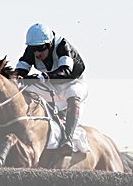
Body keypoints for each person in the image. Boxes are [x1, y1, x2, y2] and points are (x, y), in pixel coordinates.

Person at [14, 22, 88, 154]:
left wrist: (40, 77)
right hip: (50, 85)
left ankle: (68, 139)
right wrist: (17, 78)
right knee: (26, 91)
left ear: (50, 44)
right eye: (34, 49)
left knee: (73, 93)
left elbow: (65, 72)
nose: (37, 54)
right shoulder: (33, 49)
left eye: (41, 49)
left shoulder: (63, 47)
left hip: (72, 82)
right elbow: (20, 70)